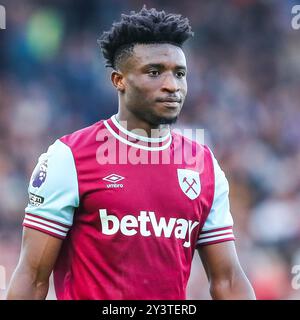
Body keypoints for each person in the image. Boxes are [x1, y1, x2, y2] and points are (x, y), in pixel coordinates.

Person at [7, 7, 255, 300]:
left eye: (180, 74)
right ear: (118, 80)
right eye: (154, 72)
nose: (172, 85)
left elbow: (227, 280)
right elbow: (33, 278)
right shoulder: (69, 157)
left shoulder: (203, 166)